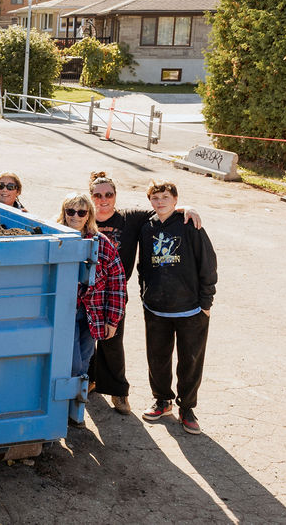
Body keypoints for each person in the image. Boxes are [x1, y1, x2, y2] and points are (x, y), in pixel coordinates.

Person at [88, 171, 202, 415]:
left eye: (108, 194)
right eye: (97, 195)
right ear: (91, 197)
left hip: (114, 293)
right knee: (83, 340)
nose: (103, 199)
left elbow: (161, 210)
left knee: (112, 341)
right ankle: (89, 380)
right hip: (82, 290)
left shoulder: (129, 218)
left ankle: (118, 392)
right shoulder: (83, 216)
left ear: (115, 196)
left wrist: (185, 207)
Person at [137, 180, 217, 436]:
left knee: (190, 362)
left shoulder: (189, 225)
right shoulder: (147, 227)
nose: (160, 202)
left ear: (175, 199)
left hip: (191, 310)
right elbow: (143, 267)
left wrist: (206, 302)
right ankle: (162, 401)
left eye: (165, 197)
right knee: (157, 359)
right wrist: (145, 295)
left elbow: (208, 264)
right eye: (155, 197)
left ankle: (187, 408)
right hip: (156, 309)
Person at [55, 193, 127, 425]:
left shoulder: (102, 244)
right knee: (73, 363)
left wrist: (113, 320)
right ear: (64, 213)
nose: (75, 216)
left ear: (89, 216)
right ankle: (66, 409)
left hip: (91, 313)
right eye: (71, 211)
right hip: (63, 312)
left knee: (85, 359)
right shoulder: (55, 238)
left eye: (81, 212)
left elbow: (117, 283)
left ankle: (75, 407)